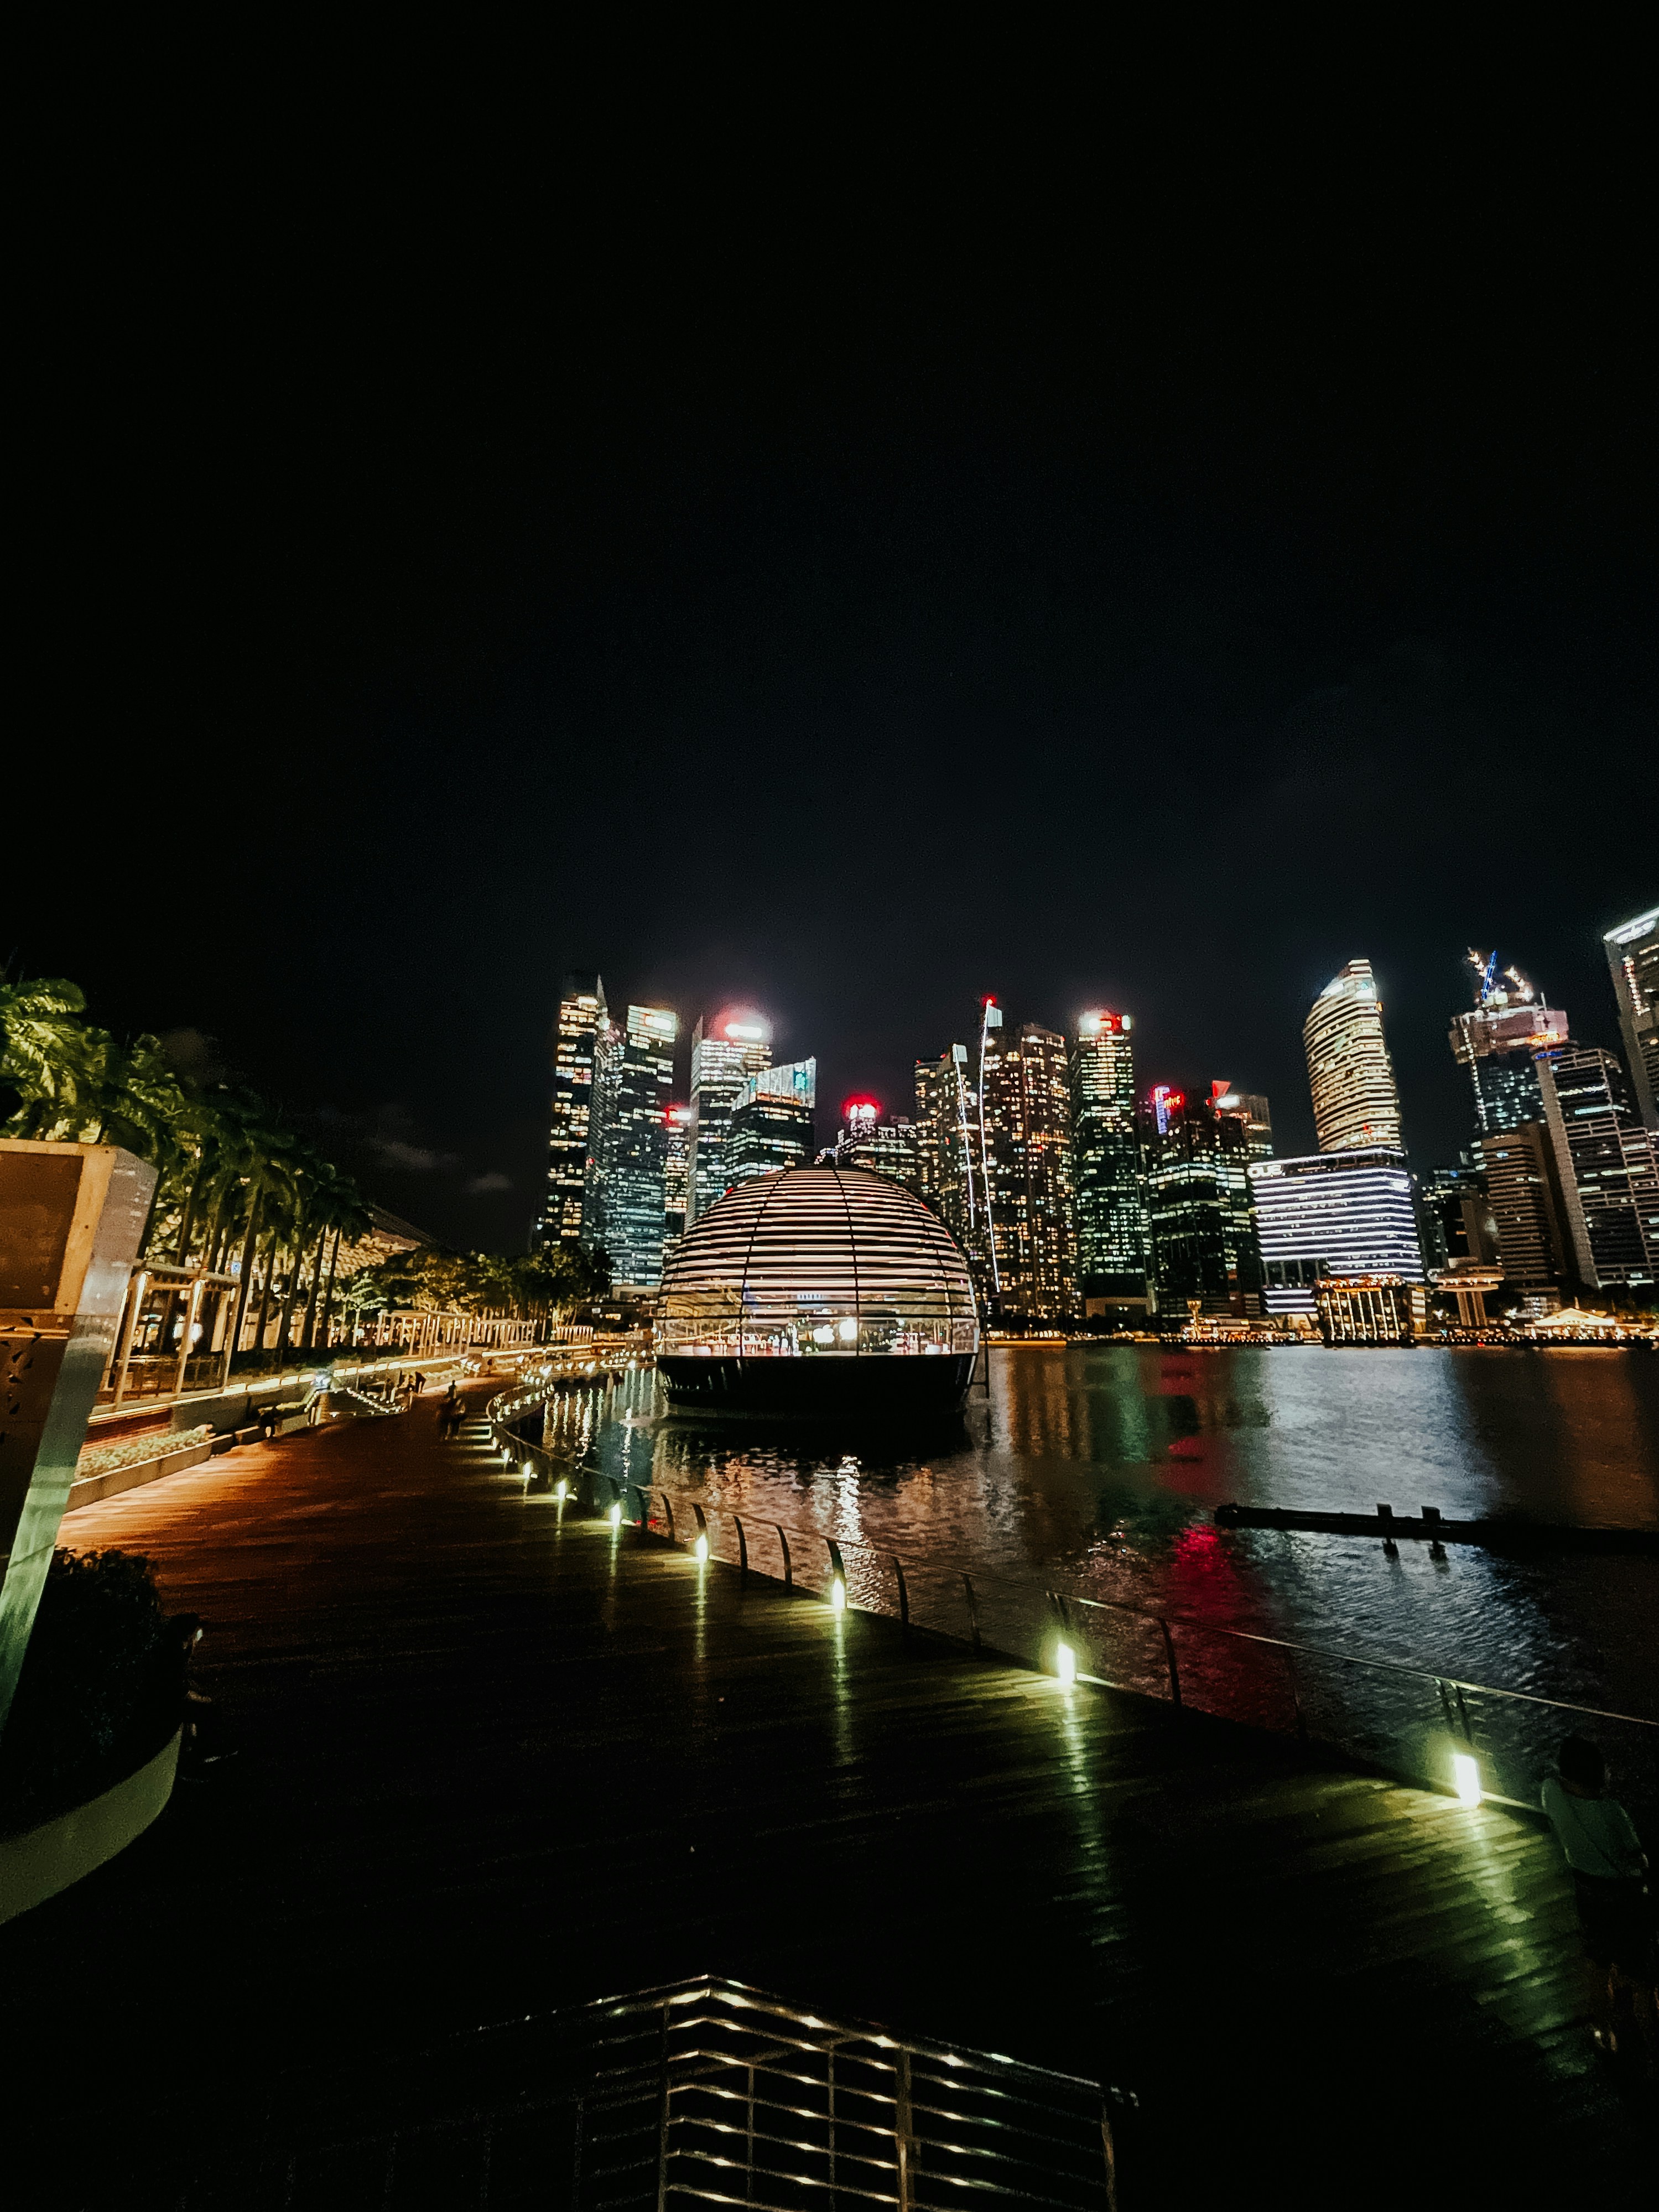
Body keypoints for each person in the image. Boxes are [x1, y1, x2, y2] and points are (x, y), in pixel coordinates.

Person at [1541, 1734, 1655, 2058]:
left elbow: (1554, 1781)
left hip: (1588, 1894)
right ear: (1596, 1771)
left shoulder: (1551, 1794)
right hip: (1626, 1900)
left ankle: (1604, 2033)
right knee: (1643, 1978)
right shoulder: (1611, 1811)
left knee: (1597, 1966)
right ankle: (1653, 2046)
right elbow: (1637, 1859)